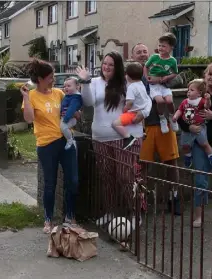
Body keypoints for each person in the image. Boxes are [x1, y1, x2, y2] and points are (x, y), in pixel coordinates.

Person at [76, 51, 148, 244]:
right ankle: (111, 212)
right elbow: (88, 102)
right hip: (100, 138)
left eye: (111, 65)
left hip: (124, 138)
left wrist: (140, 117)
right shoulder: (95, 83)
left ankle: (135, 214)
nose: (106, 67)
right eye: (104, 64)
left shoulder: (127, 84)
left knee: (126, 177)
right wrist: (84, 81)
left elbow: (144, 104)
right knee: (106, 177)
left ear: (118, 68)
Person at [21, 58, 78, 233]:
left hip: (66, 142)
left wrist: (76, 109)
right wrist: (25, 97)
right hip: (46, 145)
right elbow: (29, 119)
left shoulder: (59, 94)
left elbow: (72, 111)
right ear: (40, 79)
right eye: (50, 77)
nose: (53, 80)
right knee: (50, 183)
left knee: (73, 181)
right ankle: (48, 220)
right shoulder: (31, 96)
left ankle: (69, 217)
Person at [177, 61, 212, 229]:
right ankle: (198, 216)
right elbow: (181, 116)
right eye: (210, 74)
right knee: (200, 182)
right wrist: (189, 127)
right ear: (205, 76)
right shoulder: (195, 94)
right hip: (199, 146)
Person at [133, 43, 181, 215]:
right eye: (138, 52)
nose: (142, 54)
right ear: (133, 56)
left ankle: (173, 197)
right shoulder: (132, 76)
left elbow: (179, 79)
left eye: (145, 51)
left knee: (171, 162)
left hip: (164, 125)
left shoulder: (159, 65)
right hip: (144, 126)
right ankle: (141, 200)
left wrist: (162, 79)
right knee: (142, 165)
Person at [172, 79, 212, 167]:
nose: (189, 92)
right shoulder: (185, 102)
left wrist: (208, 99)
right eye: (188, 90)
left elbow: (207, 106)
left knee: (204, 143)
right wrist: (175, 116)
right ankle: (188, 156)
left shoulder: (201, 101)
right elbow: (180, 110)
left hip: (199, 126)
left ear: (199, 93)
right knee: (185, 145)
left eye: (192, 90)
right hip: (187, 129)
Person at [143, 33, 179, 134]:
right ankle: (162, 118)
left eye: (163, 46)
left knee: (169, 101)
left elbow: (175, 73)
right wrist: (146, 77)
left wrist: (167, 77)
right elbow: (146, 67)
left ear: (171, 48)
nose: (160, 48)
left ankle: (172, 116)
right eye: (159, 45)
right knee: (160, 102)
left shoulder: (172, 61)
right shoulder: (154, 57)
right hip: (154, 86)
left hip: (164, 85)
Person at [112, 62, 152, 150]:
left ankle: (128, 137)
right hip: (140, 112)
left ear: (128, 76)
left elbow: (129, 103)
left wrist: (125, 109)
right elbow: (146, 98)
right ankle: (143, 132)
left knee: (115, 124)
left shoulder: (131, 87)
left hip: (132, 114)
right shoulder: (141, 84)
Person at [60, 77, 83, 150]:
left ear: (77, 87)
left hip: (70, 118)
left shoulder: (75, 98)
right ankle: (71, 141)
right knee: (62, 127)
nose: (66, 88)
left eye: (69, 86)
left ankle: (70, 140)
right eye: (65, 86)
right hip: (67, 117)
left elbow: (71, 109)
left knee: (63, 127)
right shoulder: (69, 96)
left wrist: (66, 119)